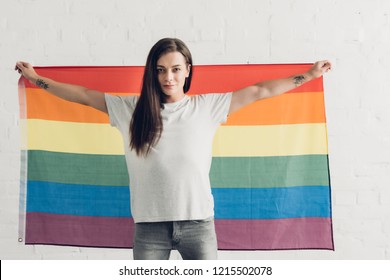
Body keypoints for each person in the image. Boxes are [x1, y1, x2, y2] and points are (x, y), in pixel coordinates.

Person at [15, 38, 331, 260]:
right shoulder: (130, 109)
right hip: (149, 229)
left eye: (176, 69)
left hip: (199, 226)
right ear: (153, 72)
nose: (169, 77)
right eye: (162, 69)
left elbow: (260, 91)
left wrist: (309, 76)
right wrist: (35, 78)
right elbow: (83, 94)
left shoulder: (208, 107)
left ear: (188, 70)